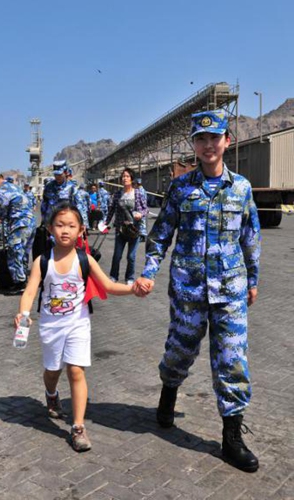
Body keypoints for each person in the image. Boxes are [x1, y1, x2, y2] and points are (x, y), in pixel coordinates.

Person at [133, 110, 261, 473]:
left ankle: (231, 437)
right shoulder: (180, 187)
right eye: (201, 139)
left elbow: (250, 237)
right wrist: (149, 272)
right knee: (179, 350)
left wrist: (252, 280)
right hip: (188, 290)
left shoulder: (241, 188)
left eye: (214, 138)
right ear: (193, 144)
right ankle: (168, 391)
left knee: (232, 360)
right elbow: (160, 236)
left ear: (227, 141)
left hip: (230, 290)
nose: (208, 145)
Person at [14, 201, 133, 452]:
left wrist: (134, 289)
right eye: (59, 225)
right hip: (50, 326)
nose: (65, 230)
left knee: (76, 371)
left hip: (78, 324)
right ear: (49, 229)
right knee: (53, 370)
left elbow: (109, 286)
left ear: (81, 231)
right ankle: (51, 393)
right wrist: (23, 313)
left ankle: (78, 427)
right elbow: (29, 293)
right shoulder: (42, 261)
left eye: (71, 225)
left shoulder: (84, 259)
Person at [0, 170, 36, 292]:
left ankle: (19, 283)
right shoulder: (14, 186)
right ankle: (24, 277)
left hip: (19, 224)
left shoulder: (2, 192)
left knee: (14, 252)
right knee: (24, 252)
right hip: (30, 223)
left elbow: (1, 213)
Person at [105, 168, 147, 285]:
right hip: (120, 229)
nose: (125, 178)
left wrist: (140, 214)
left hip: (134, 230)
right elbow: (112, 209)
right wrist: (105, 222)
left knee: (131, 257)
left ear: (132, 179)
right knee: (117, 255)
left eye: (127, 176)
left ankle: (130, 278)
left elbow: (145, 209)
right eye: (123, 176)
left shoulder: (138, 193)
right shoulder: (118, 194)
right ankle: (113, 276)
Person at [134, 178, 148, 242]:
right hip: (143, 209)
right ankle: (143, 235)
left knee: (140, 223)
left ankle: (142, 236)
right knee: (143, 222)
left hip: (139, 208)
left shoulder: (138, 191)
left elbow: (140, 201)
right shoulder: (143, 190)